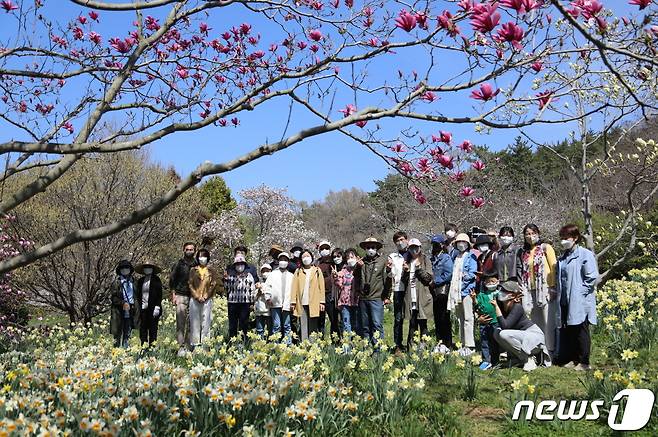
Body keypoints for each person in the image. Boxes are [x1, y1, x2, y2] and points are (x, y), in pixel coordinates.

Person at [555, 224, 599, 371]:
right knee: (570, 330)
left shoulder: (585, 254)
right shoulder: (563, 257)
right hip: (565, 299)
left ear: (575, 238)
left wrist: (580, 293)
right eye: (561, 238)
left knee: (581, 330)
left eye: (566, 238)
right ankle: (573, 359)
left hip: (579, 300)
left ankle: (584, 361)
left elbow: (591, 277)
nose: (563, 241)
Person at [517, 224, 558, 361]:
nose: (530, 236)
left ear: (538, 233)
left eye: (533, 232)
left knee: (548, 322)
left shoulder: (546, 248)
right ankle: (538, 351)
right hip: (530, 291)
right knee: (535, 323)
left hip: (545, 289)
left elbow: (554, 268)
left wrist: (552, 287)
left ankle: (551, 353)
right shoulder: (524, 252)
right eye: (527, 233)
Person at [492, 281, 549, 371]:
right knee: (496, 332)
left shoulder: (517, 307)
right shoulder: (502, 305)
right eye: (501, 289)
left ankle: (529, 358)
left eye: (505, 291)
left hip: (533, 336)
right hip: (522, 336)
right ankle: (517, 358)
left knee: (503, 333)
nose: (501, 292)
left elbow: (505, 326)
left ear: (513, 295)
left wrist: (496, 307)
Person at [356, 237, 391, 347]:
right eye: (368, 247)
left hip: (377, 298)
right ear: (365, 249)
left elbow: (387, 280)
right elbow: (356, 279)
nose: (370, 249)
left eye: (373, 247)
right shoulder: (361, 262)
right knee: (365, 325)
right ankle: (367, 347)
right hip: (363, 298)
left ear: (377, 248)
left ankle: (378, 349)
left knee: (377, 324)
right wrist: (358, 267)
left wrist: (387, 296)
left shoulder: (383, 261)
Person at [447, 233, 478, 357]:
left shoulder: (471, 257)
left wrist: (464, 278)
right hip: (457, 292)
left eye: (463, 242)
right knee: (460, 318)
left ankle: (470, 345)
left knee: (468, 318)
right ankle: (463, 343)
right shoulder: (457, 256)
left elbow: (473, 274)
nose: (461, 244)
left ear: (467, 244)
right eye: (458, 242)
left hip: (466, 291)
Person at [401, 238, 434, 349]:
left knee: (423, 322)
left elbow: (428, 278)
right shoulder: (407, 261)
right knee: (412, 322)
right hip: (411, 296)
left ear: (420, 248)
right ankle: (412, 347)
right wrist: (405, 272)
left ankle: (424, 346)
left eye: (416, 247)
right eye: (411, 248)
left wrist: (419, 268)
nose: (414, 250)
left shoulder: (425, 260)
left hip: (423, 296)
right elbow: (403, 281)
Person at [290, 249, 325, 341]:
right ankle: (304, 346)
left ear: (312, 257)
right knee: (303, 325)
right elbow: (294, 287)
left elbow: (321, 287)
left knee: (313, 325)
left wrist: (322, 302)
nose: (306, 258)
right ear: (301, 259)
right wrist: (293, 301)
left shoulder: (317, 271)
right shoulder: (298, 271)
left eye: (307, 256)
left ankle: (312, 346)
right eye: (303, 256)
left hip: (314, 302)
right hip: (301, 302)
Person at [188, 248, 220, 349]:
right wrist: (197, 296)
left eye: (205, 256)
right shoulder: (193, 270)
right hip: (195, 299)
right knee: (195, 322)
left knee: (206, 321)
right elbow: (190, 284)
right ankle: (195, 345)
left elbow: (213, 284)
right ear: (197, 258)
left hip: (207, 299)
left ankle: (205, 345)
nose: (203, 258)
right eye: (200, 256)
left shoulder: (211, 271)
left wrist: (206, 296)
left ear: (208, 258)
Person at [169, 242, 196, 356]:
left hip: (194, 296)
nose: (189, 251)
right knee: (181, 323)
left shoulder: (197, 264)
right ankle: (180, 347)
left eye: (191, 249)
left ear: (194, 251)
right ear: (183, 250)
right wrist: (173, 295)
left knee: (192, 323)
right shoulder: (178, 264)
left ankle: (189, 346)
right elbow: (172, 280)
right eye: (187, 249)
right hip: (181, 295)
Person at [264, 252, 295, 343]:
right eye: (281, 259)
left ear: (288, 262)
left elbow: (293, 290)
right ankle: (275, 345)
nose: (283, 262)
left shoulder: (291, 275)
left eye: (285, 260)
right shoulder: (273, 274)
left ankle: (287, 345)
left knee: (287, 325)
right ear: (278, 261)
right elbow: (267, 287)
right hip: (275, 303)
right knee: (276, 325)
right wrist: (268, 298)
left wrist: (293, 302)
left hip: (287, 304)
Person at [224, 254, 256, 342]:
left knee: (244, 323)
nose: (239, 266)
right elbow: (227, 289)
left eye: (241, 264)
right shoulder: (231, 276)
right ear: (235, 266)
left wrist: (252, 302)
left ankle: (243, 342)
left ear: (245, 265)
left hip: (245, 303)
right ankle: (232, 342)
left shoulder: (249, 276)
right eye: (238, 264)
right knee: (232, 325)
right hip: (232, 303)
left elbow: (252, 289)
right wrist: (226, 280)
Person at [472, 271, 500, 370]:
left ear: (498, 281)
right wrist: (474, 298)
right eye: (488, 282)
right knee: (484, 341)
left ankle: (495, 361)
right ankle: (486, 360)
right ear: (484, 283)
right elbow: (477, 304)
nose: (491, 284)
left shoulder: (499, 294)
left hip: (495, 322)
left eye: (493, 281)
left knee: (495, 342)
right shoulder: (482, 295)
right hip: (484, 321)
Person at [430, 234, 453, 352]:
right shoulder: (432, 258)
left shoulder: (446, 258)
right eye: (433, 244)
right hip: (434, 292)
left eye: (436, 244)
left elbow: (448, 274)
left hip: (443, 290)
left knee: (444, 317)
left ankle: (447, 342)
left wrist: (436, 281)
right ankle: (439, 341)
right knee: (437, 317)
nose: (434, 246)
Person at [110, 260, 139, 348]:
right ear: (120, 270)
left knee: (128, 330)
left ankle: (126, 351)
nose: (125, 270)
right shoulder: (116, 283)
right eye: (123, 268)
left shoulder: (134, 282)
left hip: (131, 309)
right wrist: (123, 303)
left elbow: (137, 295)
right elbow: (113, 298)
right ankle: (116, 350)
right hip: (119, 311)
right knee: (117, 332)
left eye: (127, 268)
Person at [134, 260, 163, 347]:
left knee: (153, 329)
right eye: (146, 268)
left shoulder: (156, 280)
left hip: (153, 308)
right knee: (143, 329)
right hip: (143, 308)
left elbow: (159, 294)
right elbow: (138, 294)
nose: (147, 269)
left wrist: (157, 306)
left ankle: (152, 347)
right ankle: (143, 346)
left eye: (149, 267)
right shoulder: (140, 281)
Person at [389, 231, 409, 353]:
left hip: (411, 289)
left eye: (402, 239)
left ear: (407, 239)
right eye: (397, 241)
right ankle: (398, 344)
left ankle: (412, 343)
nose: (400, 242)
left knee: (414, 317)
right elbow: (389, 274)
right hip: (398, 289)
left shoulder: (413, 253)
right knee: (398, 317)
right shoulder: (392, 257)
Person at [333, 248, 360, 335]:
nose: (350, 260)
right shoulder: (343, 271)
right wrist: (336, 277)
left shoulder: (360, 269)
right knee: (346, 324)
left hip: (357, 301)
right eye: (348, 258)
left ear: (357, 257)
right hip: (345, 301)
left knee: (356, 324)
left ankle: (356, 345)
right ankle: (346, 347)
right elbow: (339, 284)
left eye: (352, 257)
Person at [317, 241, 340, 340]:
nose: (324, 250)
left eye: (326, 248)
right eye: (322, 249)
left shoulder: (334, 261)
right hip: (320, 295)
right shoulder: (317, 263)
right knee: (320, 320)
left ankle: (335, 340)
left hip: (331, 294)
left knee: (334, 319)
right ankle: (320, 341)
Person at [253, 263, 272, 339]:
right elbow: (254, 297)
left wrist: (263, 291)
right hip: (259, 311)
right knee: (259, 329)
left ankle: (270, 344)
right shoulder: (258, 284)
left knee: (270, 330)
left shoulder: (272, 283)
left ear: (270, 271)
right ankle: (260, 344)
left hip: (268, 311)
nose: (265, 273)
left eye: (267, 271)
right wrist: (258, 293)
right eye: (263, 271)